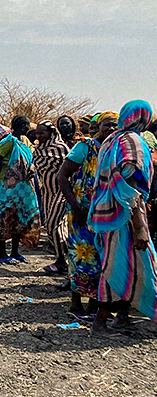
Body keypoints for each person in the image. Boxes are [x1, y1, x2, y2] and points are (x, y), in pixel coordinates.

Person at [88, 101, 157, 335]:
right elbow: (131, 186)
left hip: (106, 213)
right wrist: (140, 227)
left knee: (119, 263)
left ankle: (122, 317)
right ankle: (101, 321)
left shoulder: (111, 140)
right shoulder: (133, 142)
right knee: (124, 265)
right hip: (125, 215)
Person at [57, 111, 118, 316]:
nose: (111, 129)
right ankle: (75, 304)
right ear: (98, 126)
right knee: (81, 255)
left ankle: (94, 305)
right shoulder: (85, 146)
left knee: (101, 257)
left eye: (115, 125)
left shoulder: (115, 148)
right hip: (81, 211)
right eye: (107, 124)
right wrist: (75, 206)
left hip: (105, 212)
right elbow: (62, 176)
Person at [0, 115, 40, 264]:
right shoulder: (8, 142)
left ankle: (15, 251)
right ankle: (3, 252)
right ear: (16, 125)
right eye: (23, 124)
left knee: (19, 217)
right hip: (7, 186)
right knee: (5, 216)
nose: (26, 127)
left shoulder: (26, 143)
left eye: (27, 125)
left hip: (23, 187)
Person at [33, 121, 70, 275]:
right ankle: (61, 259)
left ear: (51, 133)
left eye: (42, 133)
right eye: (37, 133)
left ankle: (65, 259)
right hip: (47, 192)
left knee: (55, 224)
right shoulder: (38, 149)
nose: (39, 136)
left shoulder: (61, 148)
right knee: (50, 226)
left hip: (61, 192)